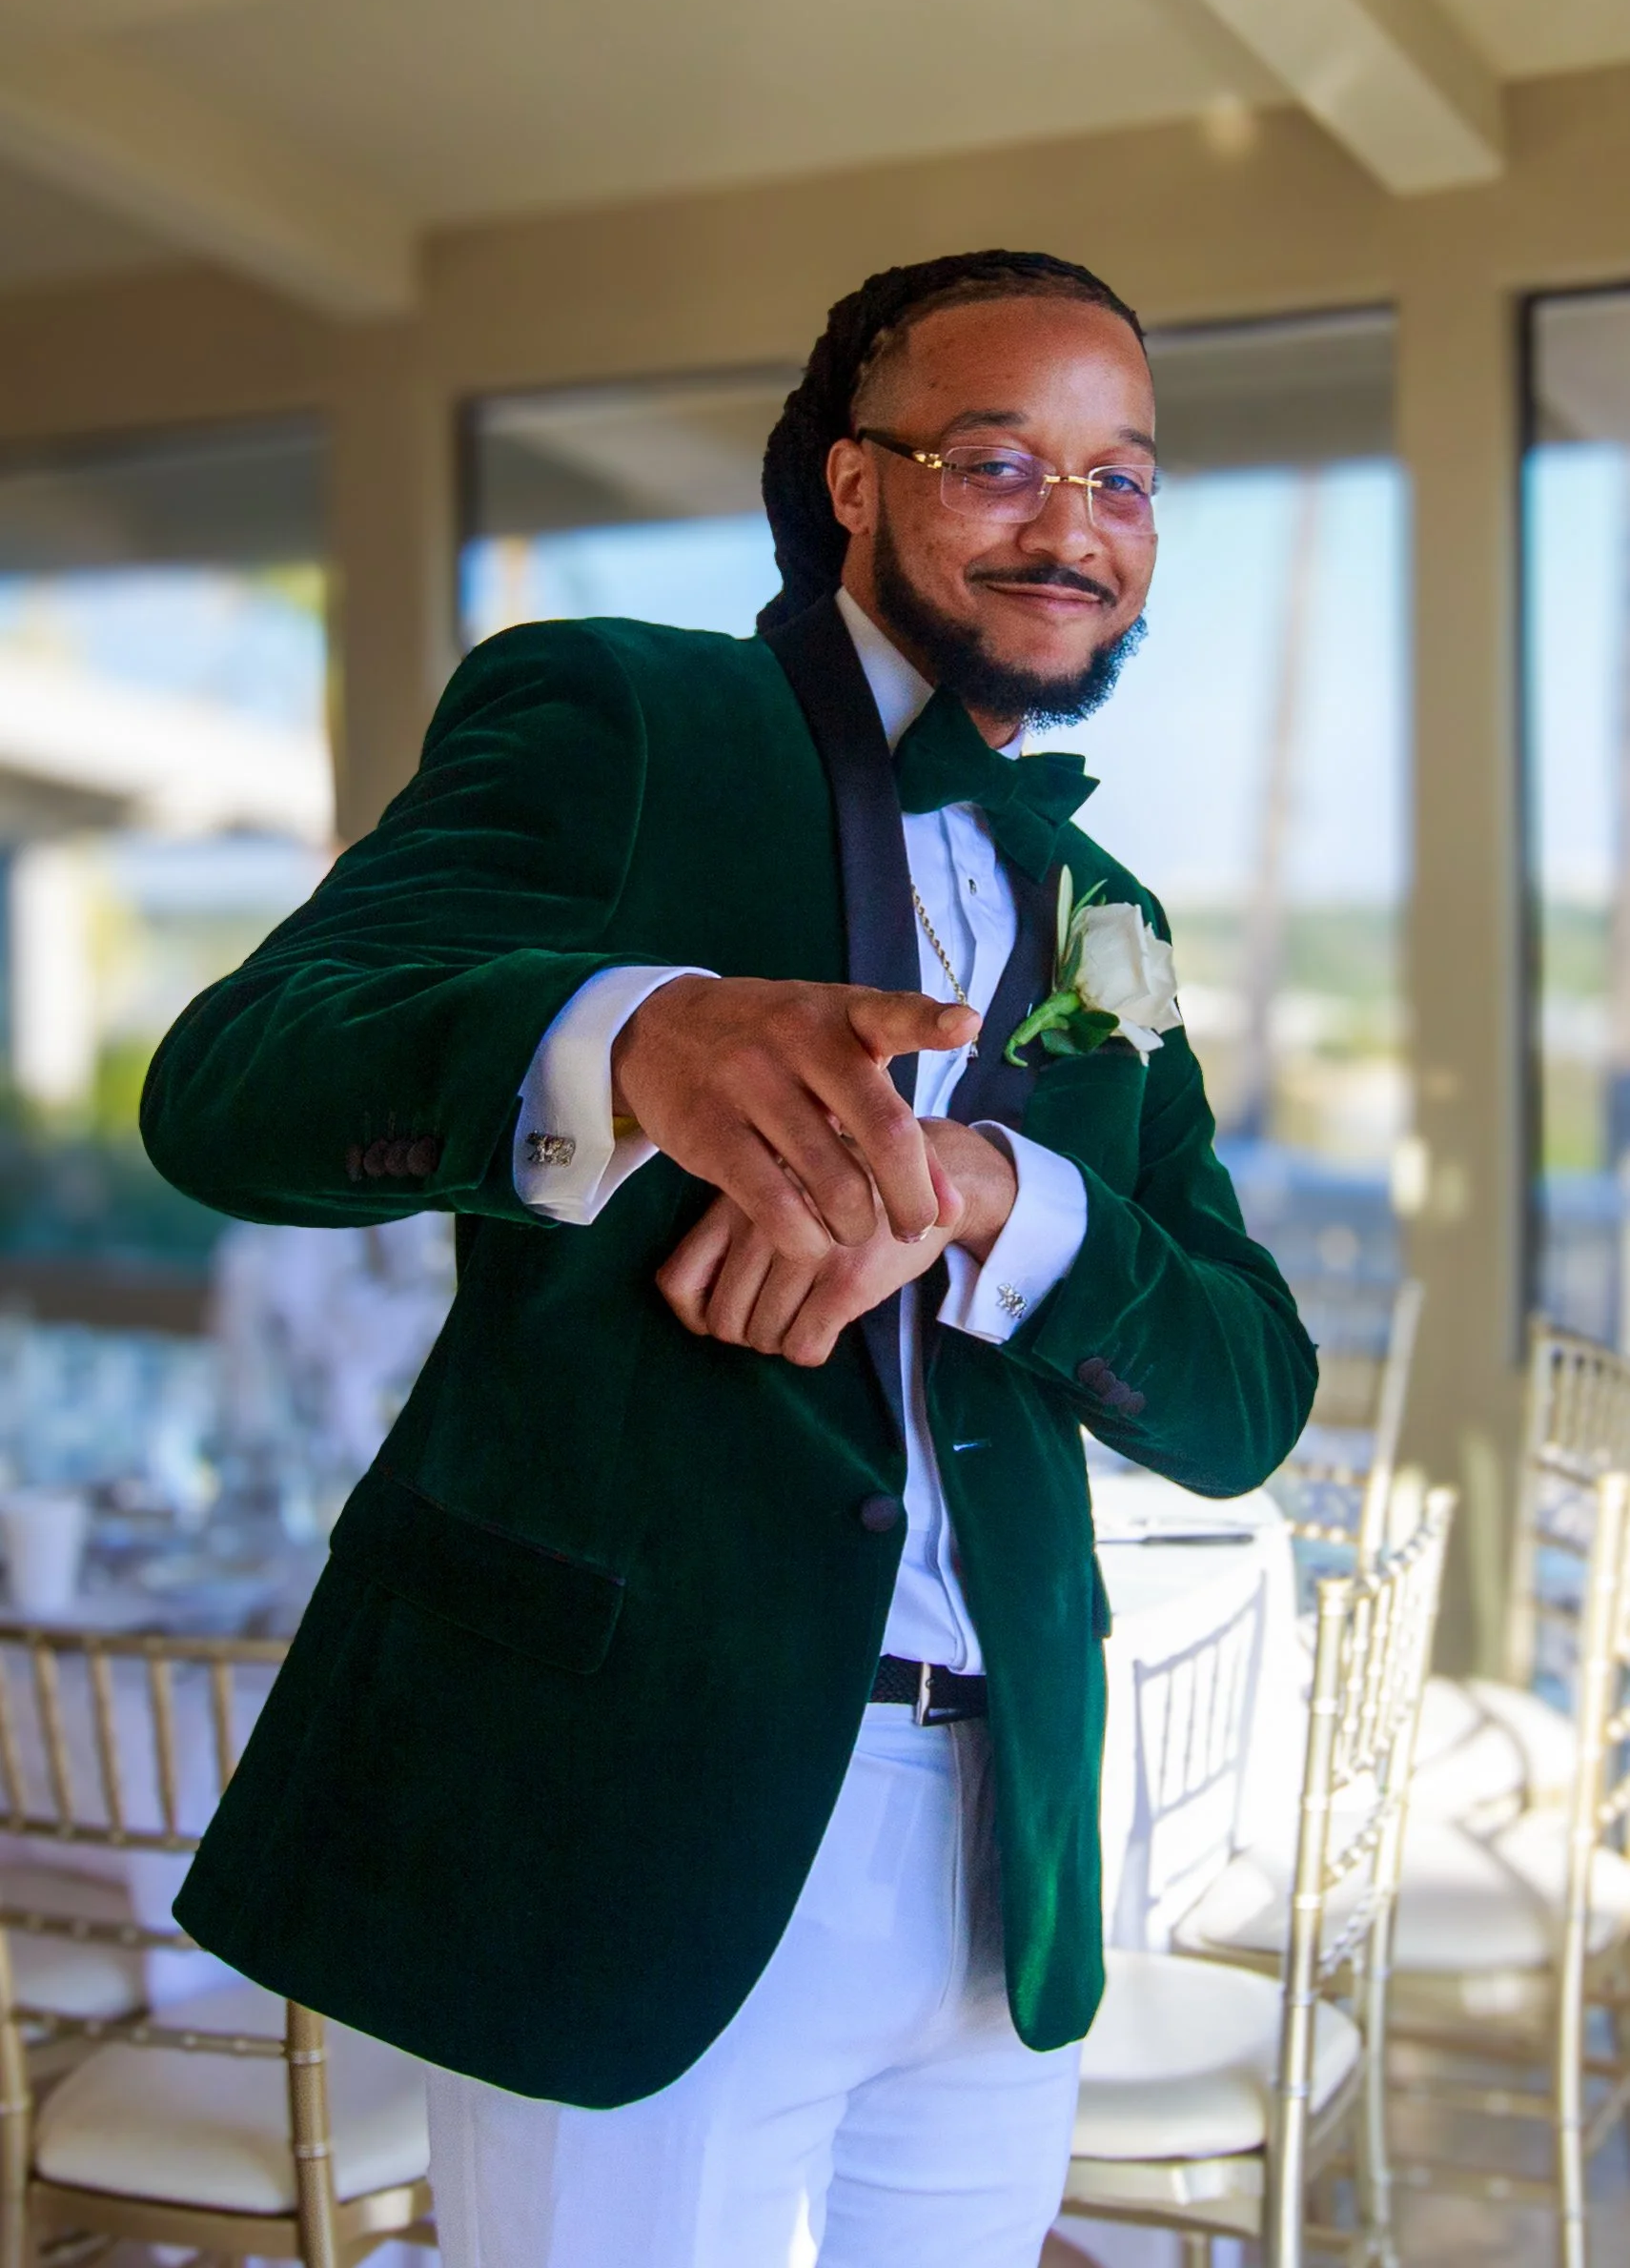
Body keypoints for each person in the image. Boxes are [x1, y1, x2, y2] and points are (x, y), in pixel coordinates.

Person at [142, 248, 1315, 2268]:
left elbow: (1246, 1395)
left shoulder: (1103, 904)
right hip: (624, 1811)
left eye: (1124, 479)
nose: (1075, 526)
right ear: (854, 482)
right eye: (999, 460)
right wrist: (632, 1033)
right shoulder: (622, 713)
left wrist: (992, 1203)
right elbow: (230, 1085)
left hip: (1000, 1854)